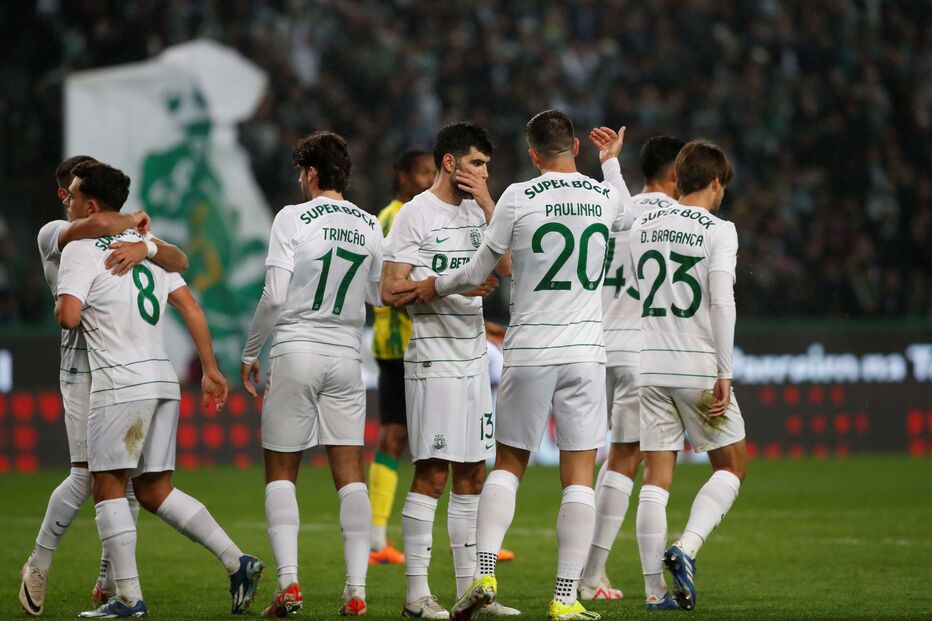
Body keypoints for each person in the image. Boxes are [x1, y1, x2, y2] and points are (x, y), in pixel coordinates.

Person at [395, 110, 634, 621]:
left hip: (528, 351)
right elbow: (629, 216)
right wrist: (610, 164)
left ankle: (483, 571)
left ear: (531, 154)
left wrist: (432, 285)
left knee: (507, 466)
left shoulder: (517, 197)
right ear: (573, 144)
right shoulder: (603, 194)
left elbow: (483, 269)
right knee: (578, 479)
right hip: (586, 354)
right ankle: (565, 598)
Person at [54, 161, 263, 619]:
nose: (64, 201)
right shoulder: (146, 250)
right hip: (163, 382)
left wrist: (75, 304)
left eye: (70, 195)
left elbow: (69, 316)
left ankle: (128, 598)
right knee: (154, 490)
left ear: (90, 205)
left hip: (119, 384)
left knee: (107, 486)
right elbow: (189, 306)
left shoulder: (79, 249)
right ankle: (237, 561)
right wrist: (210, 368)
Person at [20, 155, 189, 617]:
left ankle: (111, 581)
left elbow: (177, 259)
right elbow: (90, 227)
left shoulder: (118, 233)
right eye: (67, 189)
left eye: (73, 190)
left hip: (118, 364)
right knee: (85, 476)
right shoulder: (55, 232)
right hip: (81, 368)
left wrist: (144, 240)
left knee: (126, 481)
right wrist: (133, 222)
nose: (66, 197)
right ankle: (39, 562)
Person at [240, 131, 382, 617]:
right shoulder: (368, 223)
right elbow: (380, 296)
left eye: (302, 172)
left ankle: (290, 585)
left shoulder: (292, 217)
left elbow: (275, 295)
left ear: (312, 174)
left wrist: (249, 351)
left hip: (297, 349)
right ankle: (357, 589)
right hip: (347, 356)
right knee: (351, 477)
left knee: (281, 473)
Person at [380, 122, 518, 619]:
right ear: (450, 163)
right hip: (433, 359)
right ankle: (417, 594)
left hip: (474, 359)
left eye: (488, 165)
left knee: (473, 475)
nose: (484, 172)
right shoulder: (416, 215)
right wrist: (450, 285)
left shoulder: (481, 212)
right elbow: (390, 291)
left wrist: (487, 202)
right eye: (477, 163)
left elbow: (505, 270)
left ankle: (472, 593)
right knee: (433, 474)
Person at [626, 139, 746, 611]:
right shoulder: (720, 230)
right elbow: (720, 300)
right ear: (714, 182)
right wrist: (725, 370)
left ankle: (655, 593)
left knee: (655, 478)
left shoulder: (642, 223)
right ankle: (687, 548)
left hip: (649, 362)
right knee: (732, 466)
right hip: (696, 364)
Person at [578, 135, 686, 602]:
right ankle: (592, 574)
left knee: (584, 459)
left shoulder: (611, 206)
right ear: (677, 174)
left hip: (593, 340)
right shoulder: (678, 221)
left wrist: (610, 166)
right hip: (641, 351)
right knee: (627, 460)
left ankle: (585, 574)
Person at [368, 148, 436, 564]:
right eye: (422, 173)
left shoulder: (407, 215)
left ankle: (380, 536)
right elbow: (393, 284)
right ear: (403, 176)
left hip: (409, 342)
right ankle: (378, 536)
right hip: (402, 344)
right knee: (406, 437)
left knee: (404, 436)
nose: (429, 179)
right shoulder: (397, 217)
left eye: (432, 172)